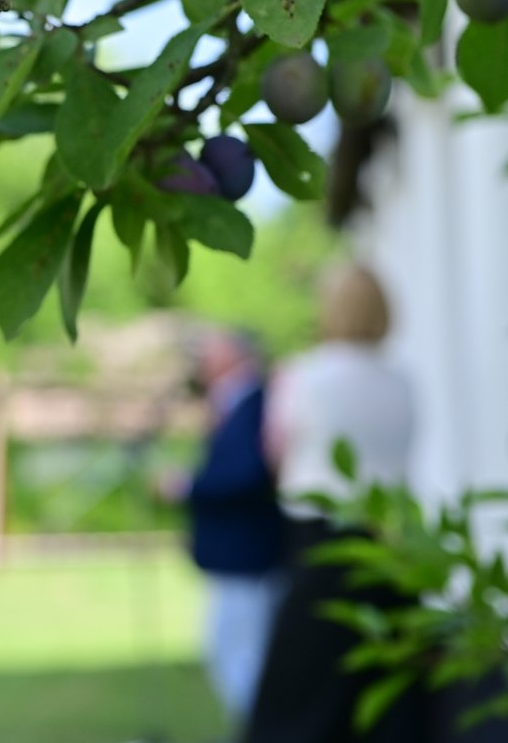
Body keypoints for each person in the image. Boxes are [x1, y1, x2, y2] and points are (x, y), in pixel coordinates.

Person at [241, 262, 421, 743]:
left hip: (321, 550)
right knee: (389, 704)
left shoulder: (304, 375)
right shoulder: (402, 381)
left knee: (301, 706)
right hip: (392, 550)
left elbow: (275, 455)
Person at [170, 328, 288, 724]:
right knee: (231, 651)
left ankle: (262, 729)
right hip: (236, 556)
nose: (202, 361)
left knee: (241, 654)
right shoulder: (233, 404)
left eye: (210, 352)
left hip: (249, 555)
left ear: (233, 356)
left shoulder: (256, 403)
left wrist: (189, 485)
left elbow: (249, 473)